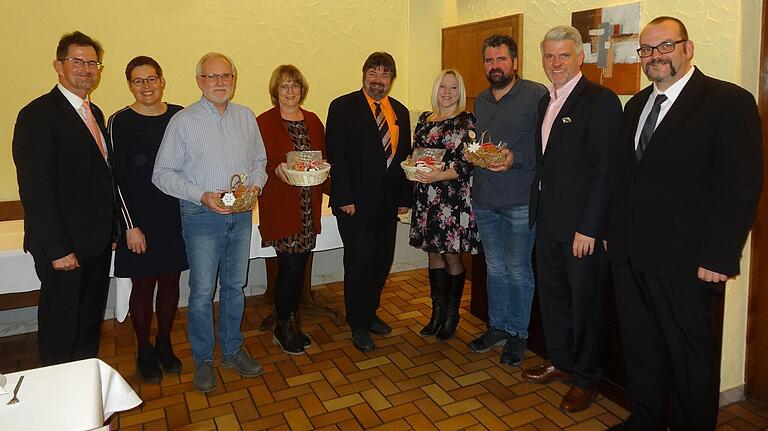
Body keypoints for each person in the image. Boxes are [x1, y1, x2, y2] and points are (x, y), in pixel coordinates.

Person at [606, 16, 762, 430]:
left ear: (688, 48)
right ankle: (647, 418)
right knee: (642, 348)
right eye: (647, 49)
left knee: (691, 357)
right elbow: (626, 179)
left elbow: (741, 187)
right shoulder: (637, 104)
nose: (655, 56)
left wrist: (720, 255)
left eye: (665, 46)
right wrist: (613, 234)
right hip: (632, 254)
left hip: (690, 262)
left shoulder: (729, 102)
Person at [152, 52, 268, 393]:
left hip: (240, 213)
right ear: (200, 81)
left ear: (234, 79)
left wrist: (255, 186)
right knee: (202, 293)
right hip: (202, 215)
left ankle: (232, 350)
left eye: (226, 76)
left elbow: (260, 161)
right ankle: (203, 360)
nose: (220, 83)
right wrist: (201, 195)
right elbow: (161, 174)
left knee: (235, 286)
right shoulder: (183, 122)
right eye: (212, 77)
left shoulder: (246, 117)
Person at [521, 26, 622, 413]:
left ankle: (586, 377)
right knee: (554, 299)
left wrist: (590, 227)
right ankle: (561, 362)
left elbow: (604, 171)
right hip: (546, 222)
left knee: (585, 305)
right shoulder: (547, 101)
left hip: (580, 228)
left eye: (563, 56)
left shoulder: (600, 101)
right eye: (549, 56)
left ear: (580, 57)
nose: (555, 63)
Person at [12, 31, 116, 366]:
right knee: (60, 331)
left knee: (87, 328)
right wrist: (58, 249)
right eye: (77, 61)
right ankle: (60, 407)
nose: (86, 69)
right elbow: (36, 190)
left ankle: (84, 399)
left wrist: (110, 232)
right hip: (64, 249)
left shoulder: (94, 112)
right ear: (58, 65)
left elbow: (100, 179)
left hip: (95, 244)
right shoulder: (38, 115)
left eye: (92, 63)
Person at [468, 35, 547, 366]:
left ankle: (518, 335)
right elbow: (481, 144)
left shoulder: (536, 95)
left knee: (517, 268)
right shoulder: (481, 101)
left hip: (519, 199)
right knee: (494, 266)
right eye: (489, 60)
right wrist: (474, 154)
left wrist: (516, 158)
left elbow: (546, 146)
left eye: (501, 59)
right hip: (485, 199)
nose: (494, 66)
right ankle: (497, 326)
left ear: (515, 62)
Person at [108, 56, 188, 383]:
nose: (146, 87)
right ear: (130, 85)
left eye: (151, 79)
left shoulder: (179, 116)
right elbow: (115, 178)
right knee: (143, 286)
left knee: (170, 282)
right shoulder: (119, 121)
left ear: (162, 80)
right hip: (138, 221)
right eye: (138, 81)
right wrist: (130, 226)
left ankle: (164, 344)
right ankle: (143, 350)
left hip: (175, 216)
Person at [326, 52, 412, 352]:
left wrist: (404, 197)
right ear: (364, 75)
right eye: (373, 73)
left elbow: (404, 157)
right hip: (355, 203)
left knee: (382, 259)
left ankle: (370, 311)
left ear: (392, 79)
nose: (378, 79)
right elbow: (336, 156)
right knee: (359, 262)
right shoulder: (342, 106)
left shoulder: (400, 110)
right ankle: (358, 323)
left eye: (385, 74)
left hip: (388, 203)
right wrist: (344, 197)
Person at [256, 65, 326, 355]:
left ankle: (291, 321)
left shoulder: (312, 120)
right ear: (275, 91)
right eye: (284, 86)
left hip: (309, 206)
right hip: (281, 204)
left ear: (302, 89)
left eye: (295, 86)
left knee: (300, 266)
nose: (290, 91)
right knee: (290, 266)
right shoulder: (264, 121)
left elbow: (324, 157)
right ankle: (283, 326)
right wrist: (274, 169)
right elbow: (256, 161)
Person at [408, 69, 480, 341]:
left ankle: (452, 315)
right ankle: (436, 314)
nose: (447, 92)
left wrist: (440, 174)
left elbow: (470, 162)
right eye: (443, 87)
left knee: (451, 255)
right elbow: (416, 154)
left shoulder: (467, 121)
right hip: (427, 198)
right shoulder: (424, 120)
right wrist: (414, 167)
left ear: (459, 92)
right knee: (433, 254)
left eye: (453, 88)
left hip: (452, 198)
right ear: (436, 90)